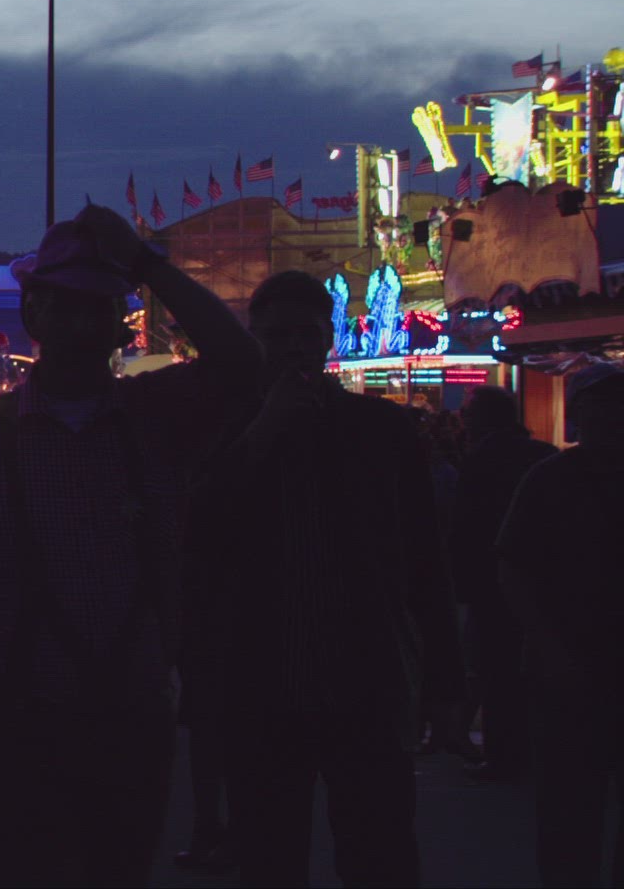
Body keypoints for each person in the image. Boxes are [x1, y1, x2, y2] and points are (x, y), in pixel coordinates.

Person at [0, 204, 261, 887]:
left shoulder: (156, 415)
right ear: (34, 313)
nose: (82, 324)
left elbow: (242, 366)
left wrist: (147, 264)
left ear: (119, 323)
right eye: (67, 305)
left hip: (129, 712)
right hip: (9, 718)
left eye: (98, 307)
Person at [186, 270, 466, 886]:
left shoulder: (381, 429)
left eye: (306, 335)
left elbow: (424, 559)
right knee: (271, 858)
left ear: (327, 339)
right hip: (262, 683)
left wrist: (445, 680)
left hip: (365, 682)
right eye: (277, 336)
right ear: (255, 340)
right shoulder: (227, 426)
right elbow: (196, 531)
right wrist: (265, 430)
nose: (293, 348)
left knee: (379, 855)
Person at [498, 362, 624, 887]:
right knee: (569, 810)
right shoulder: (550, 478)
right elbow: (513, 565)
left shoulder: (551, 477)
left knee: (568, 809)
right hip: (567, 666)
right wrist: (548, 647)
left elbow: (511, 563)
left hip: (567, 666)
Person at [452, 385, 557, 781]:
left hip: (491, 578)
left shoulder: (480, 460)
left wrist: (461, 579)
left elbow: (466, 526)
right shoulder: (544, 455)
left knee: (496, 668)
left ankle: (504, 754)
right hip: (544, 576)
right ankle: (539, 747)